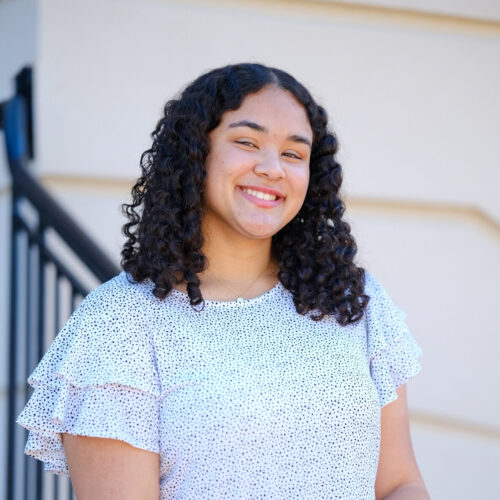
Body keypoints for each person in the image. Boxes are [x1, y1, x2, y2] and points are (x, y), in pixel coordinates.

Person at [17, 63, 428, 499]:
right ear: (196, 153)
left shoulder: (351, 301)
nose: (273, 168)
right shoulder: (120, 324)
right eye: (247, 142)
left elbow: (400, 484)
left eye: (294, 153)